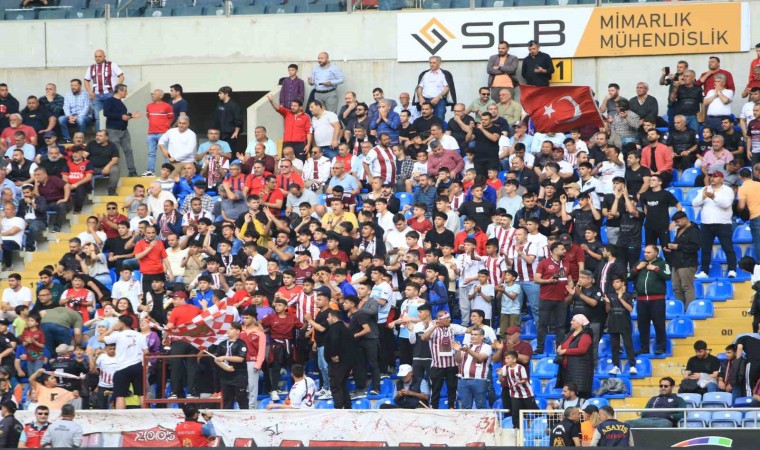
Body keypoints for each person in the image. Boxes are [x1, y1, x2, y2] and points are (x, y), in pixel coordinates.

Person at [693, 170, 737, 279]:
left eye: (716, 177)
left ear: (722, 179)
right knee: (705, 249)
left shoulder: (727, 190)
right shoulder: (705, 189)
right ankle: (704, 271)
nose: (712, 178)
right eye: (712, 176)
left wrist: (713, 197)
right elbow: (694, 203)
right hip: (706, 223)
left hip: (723, 223)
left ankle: (732, 270)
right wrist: (703, 197)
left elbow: (726, 204)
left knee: (727, 247)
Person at [99, 315, 147, 409]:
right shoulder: (139, 335)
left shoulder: (118, 335)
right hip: (138, 366)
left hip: (122, 367)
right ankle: (146, 414)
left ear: (122, 323)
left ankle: (120, 416)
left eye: (118, 322)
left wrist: (111, 329)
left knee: (120, 395)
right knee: (141, 393)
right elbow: (146, 351)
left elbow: (100, 338)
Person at [630, 245, 670, 355]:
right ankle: (644, 348)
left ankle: (661, 347)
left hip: (657, 300)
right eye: (645, 252)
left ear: (656, 253)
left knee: (659, 324)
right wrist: (637, 268)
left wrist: (655, 269)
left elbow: (668, 276)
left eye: (649, 252)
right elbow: (628, 277)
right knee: (642, 325)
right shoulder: (640, 263)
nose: (646, 254)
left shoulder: (662, 263)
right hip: (641, 300)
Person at [534, 242, 569, 354]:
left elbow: (569, 279)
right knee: (542, 324)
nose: (565, 251)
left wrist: (570, 293)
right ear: (555, 250)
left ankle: (559, 349)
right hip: (546, 298)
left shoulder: (566, 263)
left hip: (561, 299)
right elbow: (536, 279)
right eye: (562, 249)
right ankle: (540, 348)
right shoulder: (544, 263)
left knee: (561, 326)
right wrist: (548, 281)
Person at [102, 84, 140, 177]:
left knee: (128, 151)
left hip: (124, 130)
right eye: (125, 91)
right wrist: (121, 117)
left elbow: (123, 116)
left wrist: (130, 116)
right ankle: (113, 173)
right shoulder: (109, 101)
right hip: (113, 130)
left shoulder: (120, 102)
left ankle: (132, 171)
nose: (126, 93)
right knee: (114, 153)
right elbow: (106, 113)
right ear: (119, 91)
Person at [84, 49, 124, 131]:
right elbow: (86, 80)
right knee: (98, 117)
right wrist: (90, 91)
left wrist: (116, 89)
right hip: (96, 96)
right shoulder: (91, 67)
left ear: (104, 56)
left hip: (109, 94)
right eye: (96, 56)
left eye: (99, 56)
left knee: (111, 115)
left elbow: (121, 76)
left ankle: (110, 134)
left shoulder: (112, 65)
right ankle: (99, 135)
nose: (97, 58)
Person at [665, 211, 700, 307]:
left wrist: (677, 247)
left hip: (687, 263)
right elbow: (680, 245)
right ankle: (680, 308)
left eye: (678, 221)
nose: (676, 224)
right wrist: (671, 248)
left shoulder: (694, 231)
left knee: (687, 287)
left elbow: (695, 247)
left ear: (685, 219)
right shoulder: (680, 229)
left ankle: (689, 309)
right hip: (677, 262)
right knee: (676, 288)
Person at [556, 314, 594, 399]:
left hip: (579, 370)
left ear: (580, 323)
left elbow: (582, 350)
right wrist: (560, 347)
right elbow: (566, 344)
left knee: (578, 394)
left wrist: (565, 351)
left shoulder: (585, 335)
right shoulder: (571, 333)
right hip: (568, 369)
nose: (571, 322)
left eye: (574, 321)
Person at [605, 275, 636, 376]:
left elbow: (630, 309)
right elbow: (607, 310)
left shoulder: (628, 295)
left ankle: (632, 365)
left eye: (617, 282)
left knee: (628, 345)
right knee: (614, 346)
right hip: (613, 323)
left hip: (625, 323)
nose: (615, 284)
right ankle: (615, 366)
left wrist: (621, 299)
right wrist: (607, 303)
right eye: (614, 282)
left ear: (622, 283)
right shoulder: (609, 295)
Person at [452, 327, 491, 409]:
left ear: (482, 336)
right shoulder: (466, 346)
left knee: (480, 406)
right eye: (472, 334)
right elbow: (458, 360)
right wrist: (458, 350)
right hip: (463, 380)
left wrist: (468, 350)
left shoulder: (487, 347)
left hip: (479, 379)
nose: (472, 336)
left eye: (475, 335)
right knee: (465, 406)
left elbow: (480, 358)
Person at [324, 309, 355, 409]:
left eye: (328, 317)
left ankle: (338, 408)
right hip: (347, 362)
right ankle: (347, 406)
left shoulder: (334, 328)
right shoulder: (347, 329)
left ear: (333, 317)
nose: (327, 319)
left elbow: (334, 340)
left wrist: (333, 354)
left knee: (336, 385)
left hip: (337, 362)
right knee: (343, 385)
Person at [213, 322, 249, 409]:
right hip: (225, 376)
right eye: (228, 328)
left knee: (242, 399)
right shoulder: (222, 344)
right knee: (227, 400)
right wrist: (225, 368)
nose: (228, 330)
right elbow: (216, 359)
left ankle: (245, 416)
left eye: (231, 329)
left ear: (238, 331)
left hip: (239, 375)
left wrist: (225, 357)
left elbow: (240, 358)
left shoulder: (241, 343)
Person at [500, 350, 538, 429]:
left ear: (514, 360)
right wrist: (500, 374)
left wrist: (518, 382)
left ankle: (542, 422)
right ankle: (516, 428)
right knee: (515, 412)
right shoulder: (505, 368)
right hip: (515, 393)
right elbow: (501, 380)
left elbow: (525, 380)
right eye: (505, 358)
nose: (506, 360)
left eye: (508, 358)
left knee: (533, 409)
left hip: (526, 393)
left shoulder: (520, 368)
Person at [144, 89, 174, 177]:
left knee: (166, 153)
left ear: (161, 96)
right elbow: (149, 117)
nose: (152, 95)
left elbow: (171, 118)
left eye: (155, 94)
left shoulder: (167, 106)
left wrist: (164, 126)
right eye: (152, 94)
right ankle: (150, 171)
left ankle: (168, 172)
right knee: (151, 153)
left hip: (163, 133)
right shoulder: (149, 106)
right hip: (151, 133)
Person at [415, 56, 456, 121]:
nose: (432, 64)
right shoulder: (425, 74)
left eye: (434, 63)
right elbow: (419, 87)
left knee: (439, 119)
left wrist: (438, 97)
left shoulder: (444, 74)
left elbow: (447, 87)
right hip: (425, 100)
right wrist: (420, 97)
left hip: (439, 100)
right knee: (425, 120)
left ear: (439, 63)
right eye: (430, 63)